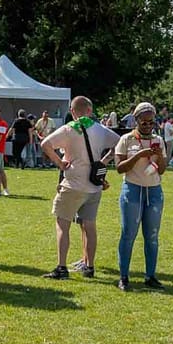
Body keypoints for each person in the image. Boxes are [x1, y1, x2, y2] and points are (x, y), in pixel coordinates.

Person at [40, 96, 118, 279]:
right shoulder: (99, 129)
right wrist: (103, 161)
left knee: (62, 224)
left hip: (73, 183)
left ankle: (61, 267)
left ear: (72, 111)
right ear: (90, 110)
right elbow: (119, 143)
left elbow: (45, 144)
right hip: (94, 184)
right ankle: (89, 266)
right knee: (90, 226)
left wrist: (60, 163)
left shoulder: (69, 129)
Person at [113, 102, 168, 290]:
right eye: (144, 122)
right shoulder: (126, 139)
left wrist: (159, 156)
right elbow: (119, 168)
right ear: (136, 120)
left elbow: (162, 169)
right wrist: (138, 156)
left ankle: (150, 276)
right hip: (133, 190)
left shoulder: (158, 140)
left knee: (152, 236)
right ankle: (123, 277)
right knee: (128, 234)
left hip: (154, 191)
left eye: (151, 122)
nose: (148, 126)